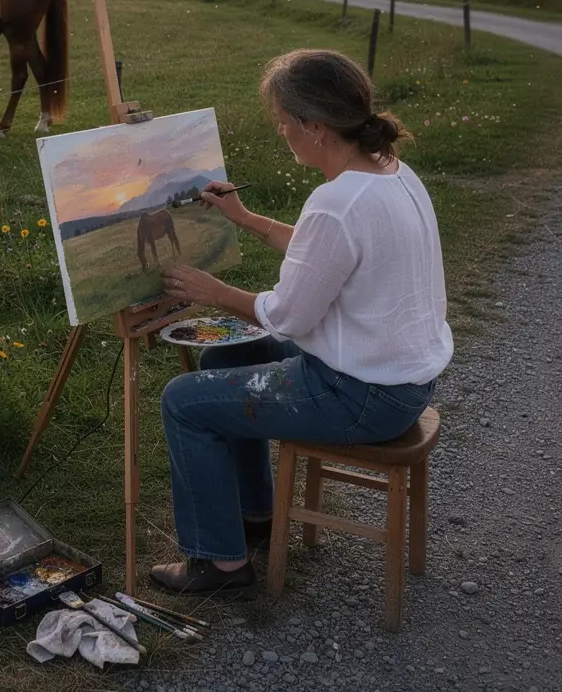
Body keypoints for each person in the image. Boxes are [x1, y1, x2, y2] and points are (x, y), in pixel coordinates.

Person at [150, 48, 453, 595]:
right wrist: (246, 219)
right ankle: (257, 516)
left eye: (284, 120)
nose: (281, 130)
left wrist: (213, 292)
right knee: (226, 356)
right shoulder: (391, 172)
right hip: (400, 381)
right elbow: (328, 252)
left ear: (315, 127)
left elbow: (287, 316)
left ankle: (220, 566)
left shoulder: (338, 202)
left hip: (362, 396)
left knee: (183, 401)